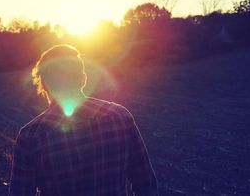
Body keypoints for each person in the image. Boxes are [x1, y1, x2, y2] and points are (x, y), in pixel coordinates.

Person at [9, 44, 159, 196]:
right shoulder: (120, 117)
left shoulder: (31, 136)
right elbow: (145, 182)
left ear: (43, 84)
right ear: (83, 79)